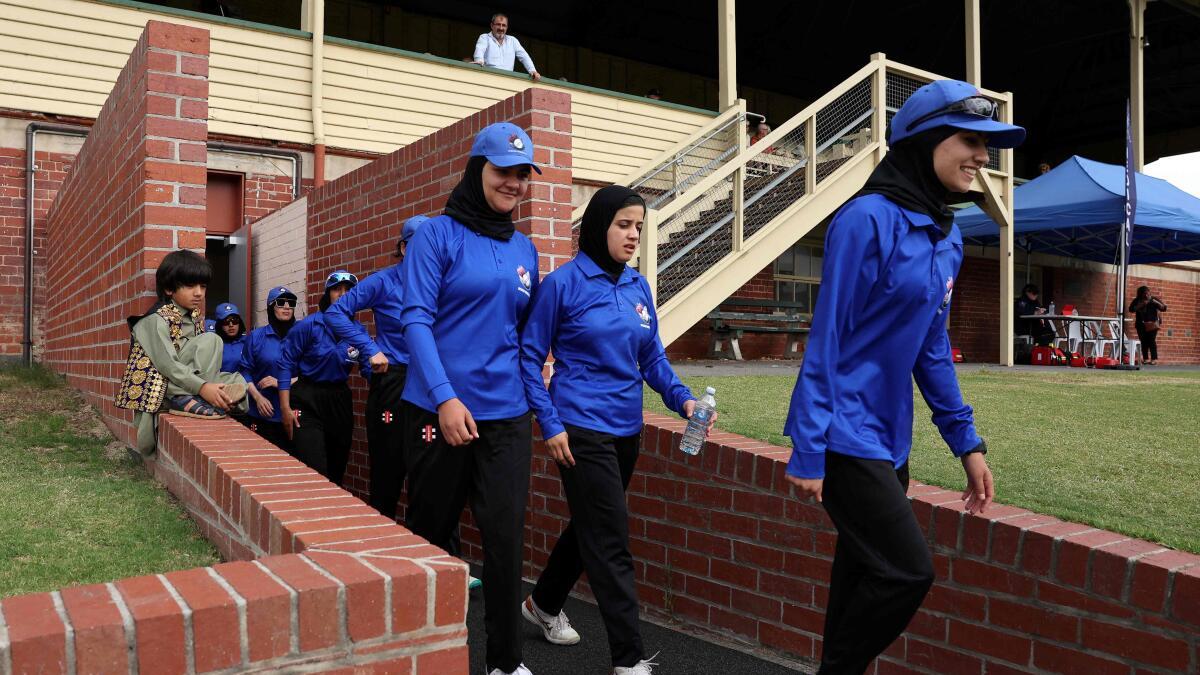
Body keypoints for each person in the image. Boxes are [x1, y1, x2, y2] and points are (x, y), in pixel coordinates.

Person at [784, 79, 1022, 674]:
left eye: (988, 145)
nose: (983, 157)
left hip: (890, 437)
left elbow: (931, 349)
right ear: (925, 140)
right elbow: (828, 340)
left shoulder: (949, 236)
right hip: (842, 433)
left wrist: (966, 442)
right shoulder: (865, 220)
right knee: (907, 571)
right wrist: (809, 448)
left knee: (862, 571)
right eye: (971, 140)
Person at [519, 185, 710, 675]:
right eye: (624, 225)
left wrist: (683, 398)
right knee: (610, 539)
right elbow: (529, 358)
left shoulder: (638, 286)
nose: (633, 236)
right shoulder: (562, 284)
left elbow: (651, 357)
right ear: (598, 225)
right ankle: (628, 658)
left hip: (627, 427)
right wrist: (551, 423)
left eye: (639, 228)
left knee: (592, 525)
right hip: (580, 428)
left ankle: (542, 603)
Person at [401, 122, 542, 675]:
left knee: (505, 540)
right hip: (439, 409)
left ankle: (506, 663)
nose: (514, 182)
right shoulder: (436, 236)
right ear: (476, 169)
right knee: (432, 536)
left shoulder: (526, 247)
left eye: (523, 174)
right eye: (504, 171)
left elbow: (524, 331)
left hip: (506, 415)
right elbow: (416, 320)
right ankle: (422, 651)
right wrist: (444, 397)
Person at [325, 215, 429, 520]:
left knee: (430, 472)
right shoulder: (384, 281)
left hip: (431, 384)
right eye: (421, 245)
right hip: (393, 381)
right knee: (388, 470)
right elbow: (337, 312)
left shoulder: (443, 284)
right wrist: (371, 349)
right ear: (405, 248)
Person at [115, 250, 247, 456]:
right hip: (164, 386)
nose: (199, 293)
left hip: (185, 380)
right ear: (169, 288)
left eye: (203, 286)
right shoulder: (155, 320)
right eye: (190, 286)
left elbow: (197, 363)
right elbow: (168, 365)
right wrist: (203, 387)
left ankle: (219, 397)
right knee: (212, 339)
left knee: (237, 379)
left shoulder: (192, 319)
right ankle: (198, 398)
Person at [278, 271, 371, 485]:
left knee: (337, 469)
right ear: (327, 294)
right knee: (314, 469)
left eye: (349, 290)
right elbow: (285, 364)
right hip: (307, 397)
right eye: (337, 289)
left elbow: (369, 368)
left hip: (339, 399)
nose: (342, 294)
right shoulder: (309, 326)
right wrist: (284, 407)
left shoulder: (358, 332)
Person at [238, 286, 298, 450]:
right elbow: (245, 372)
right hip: (262, 413)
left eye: (291, 303)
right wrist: (258, 398)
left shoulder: (302, 335)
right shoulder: (256, 337)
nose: (287, 306)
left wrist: (282, 383)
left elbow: (312, 373)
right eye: (281, 302)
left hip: (295, 412)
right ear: (271, 307)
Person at [473, 13, 540, 81]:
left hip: (507, 80)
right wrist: (479, 61)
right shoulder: (484, 37)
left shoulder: (513, 40)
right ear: (492, 25)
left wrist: (533, 70)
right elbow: (480, 50)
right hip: (489, 77)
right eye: (498, 24)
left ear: (507, 28)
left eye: (504, 25)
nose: (501, 28)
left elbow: (524, 56)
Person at [1130, 285, 1167, 364]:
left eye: (1148, 293)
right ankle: (1146, 359)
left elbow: (1164, 308)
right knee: (1143, 341)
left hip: (1152, 324)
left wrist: (1155, 302)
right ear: (1141, 294)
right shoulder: (1137, 300)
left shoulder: (1153, 299)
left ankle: (1154, 359)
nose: (1147, 295)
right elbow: (1131, 309)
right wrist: (1142, 304)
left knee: (1152, 341)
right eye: (1145, 294)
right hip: (1141, 324)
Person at [214, 302, 247, 374]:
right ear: (219, 325)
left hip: (247, 384)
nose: (231, 325)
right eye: (226, 321)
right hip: (222, 383)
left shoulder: (248, 342)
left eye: (234, 320)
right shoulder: (214, 344)